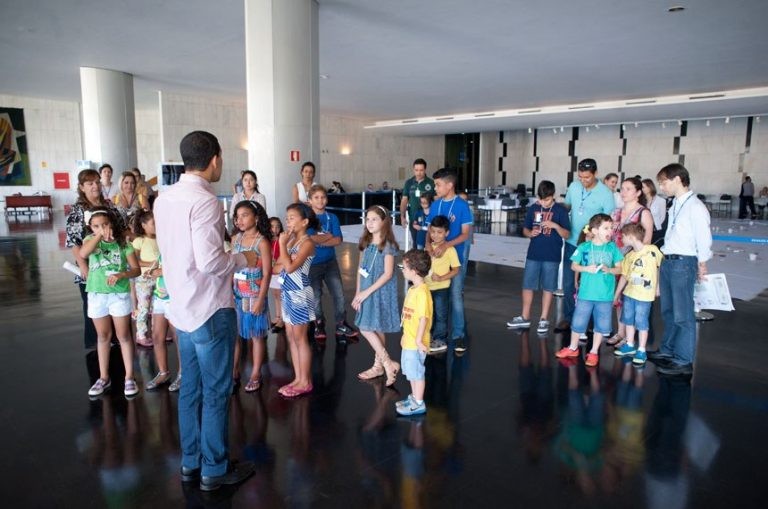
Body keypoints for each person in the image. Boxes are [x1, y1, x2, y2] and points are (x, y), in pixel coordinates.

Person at [154, 131, 257, 491]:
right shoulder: (206, 201)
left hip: (181, 308)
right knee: (216, 393)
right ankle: (213, 469)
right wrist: (246, 257)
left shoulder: (163, 199)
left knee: (191, 391)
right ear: (215, 158)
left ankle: (190, 462)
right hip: (210, 309)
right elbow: (212, 261)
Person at [652, 163, 712, 376]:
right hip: (669, 261)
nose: (661, 187)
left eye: (664, 182)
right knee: (668, 311)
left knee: (683, 314)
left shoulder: (695, 207)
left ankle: (683, 360)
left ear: (677, 179)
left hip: (683, 263)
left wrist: (702, 263)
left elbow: (704, 238)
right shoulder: (676, 204)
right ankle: (667, 351)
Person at [80, 208, 142, 397]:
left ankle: (129, 377)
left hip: (118, 295)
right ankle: (103, 377)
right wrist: (98, 236)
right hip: (97, 295)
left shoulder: (123, 244)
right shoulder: (89, 242)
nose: (102, 228)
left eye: (105, 224)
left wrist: (122, 274)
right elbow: (83, 254)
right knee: (103, 336)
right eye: (96, 226)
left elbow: (136, 269)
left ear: (111, 224)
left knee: (123, 336)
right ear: (90, 227)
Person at [66, 169, 127, 349]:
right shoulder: (77, 210)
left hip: (114, 266)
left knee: (118, 306)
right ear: (81, 187)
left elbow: (122, 230)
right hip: (92, 270)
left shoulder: (109, 206)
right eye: (90, 183)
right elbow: (74, 243)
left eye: (97, 182)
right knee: (94, 311)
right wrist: (84, 268)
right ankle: (97, 350)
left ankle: (118, 343)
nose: (95, 186)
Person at [555, 214, 623, 367]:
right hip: (585, 294)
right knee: (578, 321)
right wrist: (586, 268)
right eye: (606, 228)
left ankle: (593, 351)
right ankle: (573, 348)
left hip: (604, 295)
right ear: (595, 230)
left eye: (611, 228)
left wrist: (610, 270)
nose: (610, 231)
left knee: (600, 324)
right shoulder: (584, 247)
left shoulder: (612, 248)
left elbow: (620, 268)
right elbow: (573, 266)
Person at [507, 180, 571, 334]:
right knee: (528, 285)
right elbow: (525, 230)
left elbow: (567, 234)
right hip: (534, 254)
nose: (544, 203)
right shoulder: (534, 208)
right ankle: (525, 316)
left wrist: (555, 226)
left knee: (548, 287)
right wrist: (531, 233)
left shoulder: (560, 211)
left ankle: (544, 318)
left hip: (552, 255)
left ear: (553, 196)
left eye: (547, 200)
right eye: (541, 199)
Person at [560, 159, 616, 331]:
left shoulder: (606, 193)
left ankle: (591, 322)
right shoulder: (574, 187)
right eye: (580, 177)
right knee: (569, 282)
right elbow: (567, 207)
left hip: (593, 245)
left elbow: (608, 221)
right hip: (572, 241)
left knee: (591, 283)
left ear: (595, 173)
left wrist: (597, 234)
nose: (583, 180)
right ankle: (568, 318)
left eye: (587, 177)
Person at [425, 167, 473, 354]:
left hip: (455, 257)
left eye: (438, 184)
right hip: (436, 260)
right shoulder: (436, 205)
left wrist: (446, 245)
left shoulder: (461, 205)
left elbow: (465, 234)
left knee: (455, 294)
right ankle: (438, 334)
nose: (435, 188)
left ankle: (459, 335)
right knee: (438, 298)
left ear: (449, 185)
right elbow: (429, 229)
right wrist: (428, 245)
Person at [353, 205, 401, 386]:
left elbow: (388, 274)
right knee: (372, 326)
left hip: (379, 291)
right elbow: (360, 270)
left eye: (374, 219)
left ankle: (386, 364)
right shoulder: (365, 243)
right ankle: (381, 365)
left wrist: (366, 292)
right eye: (368, 219)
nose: (370, 223)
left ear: (384, 222)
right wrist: (358, 292)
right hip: (366, 289)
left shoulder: (387, 246)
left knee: (368, 327)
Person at [307, 185, 358, 343]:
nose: (320, 200)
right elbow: (308, 240)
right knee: (315, 296)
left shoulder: (332, 218)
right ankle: (319, 323)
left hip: (330, 263)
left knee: (339, 294)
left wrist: (320, 240)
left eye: (323, 197)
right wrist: (326, 237)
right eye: (316, 197)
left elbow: (338, 240)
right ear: (309, 200)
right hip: (312, 264)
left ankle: (341, 323)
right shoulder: (307, 219)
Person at [607, 177, 654, 346]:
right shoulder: (616, 212)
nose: (623, 192)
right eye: (622, 188)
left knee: (631, 300)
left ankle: (630, 337)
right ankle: (620, 332)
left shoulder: (643, 213)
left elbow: (647, 241)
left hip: (633, 264)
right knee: (618, 299)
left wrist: (635, 260)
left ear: (638, 193)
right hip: (616, 262)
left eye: (628, 189)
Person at [230, 201, 272, 393]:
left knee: (256, 336)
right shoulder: (235, 239)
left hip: (254, 296)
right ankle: (234, 371)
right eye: (237, 216)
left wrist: (261, 299)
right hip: (237, 294)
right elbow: (231, 266)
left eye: (245, 215)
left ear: (256, 217)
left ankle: (256, 373)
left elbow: (267, 273)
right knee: (236, 336)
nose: (240, 219)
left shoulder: (262, 241)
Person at [276, 203, 317, 397]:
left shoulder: (307, 243)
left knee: (301, 339)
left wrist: (282, 245)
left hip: (300, 293)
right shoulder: (292, 241)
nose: (288, 221)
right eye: (287, 217)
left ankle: (305, 381)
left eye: (292, 217)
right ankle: (298, 378)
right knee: (291, 337)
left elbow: (290, 267)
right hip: (287, 292)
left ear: (305, 222)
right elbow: (279, 265)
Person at [613, 223, 663, 366]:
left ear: (631, 237)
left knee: (641, 321)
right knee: (628, 319)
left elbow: (661, 267)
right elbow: (624, 276)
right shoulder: (629, 255)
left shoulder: (652, 250)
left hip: (644, 295)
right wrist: (617, 294)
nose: (621, 239)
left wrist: (658, 286)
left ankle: (641, 349)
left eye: (623, 236)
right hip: (629, 293)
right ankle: (629, 344)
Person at [396, 249, 433, 417]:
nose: (402, 270)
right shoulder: (413, 289)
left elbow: (423, 319)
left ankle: (418, 402)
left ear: (415, 270)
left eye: (404, 267)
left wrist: (418, 341)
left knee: (417, 373)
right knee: (411, 372)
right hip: (409, 340)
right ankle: (414, 398)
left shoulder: (423, 293)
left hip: (415, 343)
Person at [144, 255, 182, 392]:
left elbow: (180, 268)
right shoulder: (163, 250)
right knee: (156, 336)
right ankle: (163, 373)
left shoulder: (180, 246)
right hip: (160, 295)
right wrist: (153, 271)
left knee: (178, 337)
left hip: (174, 297)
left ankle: (182, 374)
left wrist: (160, 271)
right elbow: (157, 268)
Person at [424, 215, 460, 353]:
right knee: (428, 314)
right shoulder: (428, 248)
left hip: (441, 289)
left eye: (439, 232)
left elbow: (456, 270)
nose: (435, 235)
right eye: (432, 232)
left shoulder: (450, 250)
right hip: (426, 288)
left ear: (447, 233)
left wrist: (441, 278)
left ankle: (440, 340)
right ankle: (429, 337)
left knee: (440, 315)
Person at [131, 210, 160, 347]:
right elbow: (134, 260)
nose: (156, 226)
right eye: (153, 223)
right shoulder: (139, 241)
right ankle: (141, 334)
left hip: (158, 278)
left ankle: (157, 333)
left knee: (157, 307)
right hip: (144, 280)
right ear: (144, 225)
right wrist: (151, 264)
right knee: (143, 308)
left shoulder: (160, 239)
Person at [400, 158, 435, 248]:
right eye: (416, 170)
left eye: (421, 170)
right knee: (416, 245)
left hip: (429, 221)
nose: (418, 173)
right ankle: (417, 262)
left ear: (425, 170)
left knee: (430, 245)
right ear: (413, 169)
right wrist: (402, 216)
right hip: (414, 220)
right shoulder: (409, 183)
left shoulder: (431, 183)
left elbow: (437, 201)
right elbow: (404, 200)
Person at [268, 217, 285, 331]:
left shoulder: (281, 240)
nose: (275, 229)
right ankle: (278, 316)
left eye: (277, 226)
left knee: (281, 294)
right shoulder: (267, 240)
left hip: (278, 270)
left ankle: (283, 319)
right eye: (272, 226)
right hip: (271, 270)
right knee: (275, 294)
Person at [642, 179, 667, 246]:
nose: (641, 189)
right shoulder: (641, 201)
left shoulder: (661, 201)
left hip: (656, 230)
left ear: (649, 187)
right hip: (642, 231)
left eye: (643, 187)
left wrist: (651, 225)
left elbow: (662, 218)